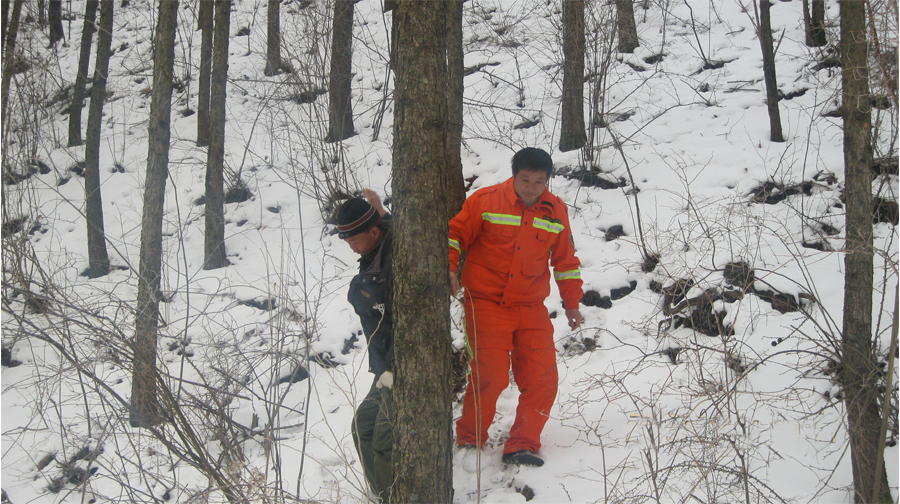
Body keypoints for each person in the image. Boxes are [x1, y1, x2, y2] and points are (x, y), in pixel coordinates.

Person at [448, 147, 583, 467]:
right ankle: (470, 438)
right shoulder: (485, 201)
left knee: (543, 378)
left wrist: (572, 302)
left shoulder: (556, 210)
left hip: (531, 306)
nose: (532, 187)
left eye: (539, 181)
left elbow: (565, 261)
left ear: (547, 181)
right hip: (485, 303)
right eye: (526, 179)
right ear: (514, 175)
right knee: (490, 375)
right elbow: (454, 234)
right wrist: (449, 266)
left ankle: (523, 443)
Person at [339, 189, 395, 502]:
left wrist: (391, 367)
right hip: (384, 366)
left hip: (400, 364)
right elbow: (392, 228)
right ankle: (383, 495)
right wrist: (381, 212)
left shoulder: (392, 256)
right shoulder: (377, 246)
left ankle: (394, 497)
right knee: (362, 428)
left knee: (383, 442)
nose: (352, 249)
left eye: (354, 241)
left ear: (373, 232)